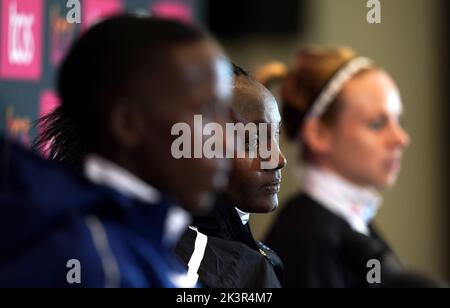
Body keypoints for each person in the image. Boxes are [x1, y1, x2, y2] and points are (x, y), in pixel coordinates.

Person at [0, 15, 232, 288]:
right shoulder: (89, 265)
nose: (226, 141)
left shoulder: (143, 250)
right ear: (127, 124)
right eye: (205, 112)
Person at [261, 47, 411, 288]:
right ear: (318, 134)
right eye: (378, 123)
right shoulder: (307, 239)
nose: (401, 138)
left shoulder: (352, 224)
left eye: (399, 121)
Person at [175, 64, 287, 288]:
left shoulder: (258, 261)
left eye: (276, 135)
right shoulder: (192, 271)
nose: (279, 159)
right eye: (252, 140)